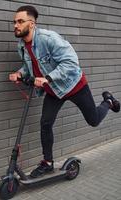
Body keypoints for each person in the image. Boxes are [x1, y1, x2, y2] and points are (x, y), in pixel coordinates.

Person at [9, 5, 120, 178]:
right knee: (45, 124)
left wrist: (48, 78)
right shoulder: (22, 45)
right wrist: (20, 73)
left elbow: (71, 62)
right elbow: (30, 65)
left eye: (20, 21)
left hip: (74, 85)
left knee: (94, 120)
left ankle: (108, 102)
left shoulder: (49, 38)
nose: (16, 25)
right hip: (54, 91)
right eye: (15, 22)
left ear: (31, 24)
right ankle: (47, 163)